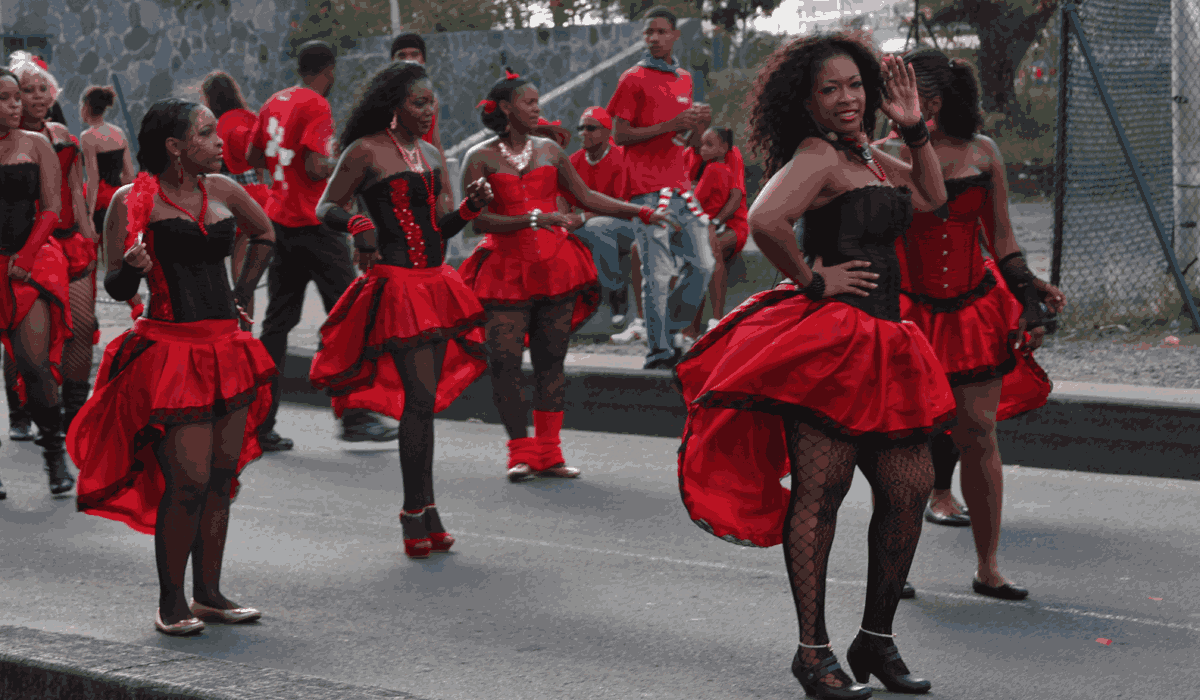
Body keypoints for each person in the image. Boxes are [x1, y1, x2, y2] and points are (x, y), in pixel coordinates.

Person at [675, 35, 954, 698]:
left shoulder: (873, 156)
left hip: (886, 342)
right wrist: (813, 281)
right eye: (830, 89)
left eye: (855, 85)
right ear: (807, 102)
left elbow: (932, 199)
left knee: (908, 489)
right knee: (821, 495)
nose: (846, 98)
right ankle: (813, 655)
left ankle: (875, 640)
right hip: (833, 348)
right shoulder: (818, 155)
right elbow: (766, 219)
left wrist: (914, 129)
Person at [70, 97, 277, 635]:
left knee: (221, 479)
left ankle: (209, 594)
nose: (219, 141)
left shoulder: (223, 190)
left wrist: (243, 291)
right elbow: (117, 284)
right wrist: (132, 269)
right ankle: (171, 602)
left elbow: (265, 234)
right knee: (187, 482)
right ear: (175, 146)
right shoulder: (131, 200)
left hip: (226, 347)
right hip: (170, 351)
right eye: (206, 134)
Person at [877, 48, 1064, 601]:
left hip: (972, 310)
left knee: (980, 434)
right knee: (905, 443)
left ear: (936, 100)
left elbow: (1001, 237)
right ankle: (894, 566)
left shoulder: (984, 151)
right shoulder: (883, 154)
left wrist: (1028, 296)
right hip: (909, 313)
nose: (896, 100)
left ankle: (988, 568)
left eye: (910, 91)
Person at [310, 62, 493, 557]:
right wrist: (357, 225)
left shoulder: (430, 154)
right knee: (419, 400)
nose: (429, 110)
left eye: (432, 102)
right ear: (395, 106)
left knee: (424, 405)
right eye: (418, 102)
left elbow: (440, 227)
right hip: (397, 286)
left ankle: (427, 509)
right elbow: (326, 207)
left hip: (435, 284)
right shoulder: (365, 150)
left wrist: (471, 208)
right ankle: (414, 512)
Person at [458, 68, 674, 482]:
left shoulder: (550, 151)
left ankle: (550, 453)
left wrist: (642, 212)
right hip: (504, 269)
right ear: (505, 108)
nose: (537, 108)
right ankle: (519, 453)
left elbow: (586, 197)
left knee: (550, 362)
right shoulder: (479, 157)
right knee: (504, 363)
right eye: (529, 102)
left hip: (555, 268)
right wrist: (534, 218)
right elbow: (477, 222)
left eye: (537, 101)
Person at [246, 41, 398, 450]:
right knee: (348, 318)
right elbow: (316, 166)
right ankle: (355, 416)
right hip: (316, 226)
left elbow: (253, 155)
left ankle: (260, 423)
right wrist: (351, 165)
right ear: (329, 70)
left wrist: (284, 170)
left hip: (281, 222)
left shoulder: (274, 101)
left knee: (276, 326)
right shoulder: (316, 105)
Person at [607, 6, 714, 369]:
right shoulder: (632, 78)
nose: (653, 38)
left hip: (680, 187)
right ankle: (659, 351)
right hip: (646, 189)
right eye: (648, 32)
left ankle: (667, 332)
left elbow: (691, 143)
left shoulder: (684, 78)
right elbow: (620, 135)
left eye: (661, 31)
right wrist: (672, 125)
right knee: (658, 273)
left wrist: (699, 125)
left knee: (703, 264)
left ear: (674, 35)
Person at [11, 51, 97, 467]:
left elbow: (76, 190)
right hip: (25, 246)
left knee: (83, 325)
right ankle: (21, 410)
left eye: (43, 88)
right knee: (26, 339)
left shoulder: (63, 135)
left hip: (68, 240)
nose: (37, 96)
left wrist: (90, 233)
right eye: (27, 90)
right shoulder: (11, 142)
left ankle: (73, 414)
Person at [0, 66, 70, 497]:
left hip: (30, 263)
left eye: (16, 97)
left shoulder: (37, 143)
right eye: (5, 98)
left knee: (34, 364)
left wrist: (25, 257)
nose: (15, 105)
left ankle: (54, 454)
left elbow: (51, 207)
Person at [203, 71, 270, 322]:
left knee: (237, 270)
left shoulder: (216, 126)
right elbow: (259, 162)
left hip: (230, 198)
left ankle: (243, 327)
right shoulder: (249, 118)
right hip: (258, 194)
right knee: (250, 271)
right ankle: (246, 327)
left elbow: (214, 166)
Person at [676, 126, 749, 349]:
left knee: (705, 253)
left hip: (719, 225)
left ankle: (703, 324)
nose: (704, 149)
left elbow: (695, 201)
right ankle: (700, 325)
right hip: (711, 225)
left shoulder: (714, 169)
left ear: (724, 147)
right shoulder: (718, 167)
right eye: (703, 144)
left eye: (710, 145)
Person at [564, 106, 635, 326]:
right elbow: (562, 198)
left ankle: (616, 294)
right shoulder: (573, 161)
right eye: (581, 128)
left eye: (591, 128)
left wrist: (583, 218)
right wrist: (564, 219)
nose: (584, 133)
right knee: (559, 234)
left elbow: (621, 206)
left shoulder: (620, 157)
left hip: (628, 225)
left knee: (598, 227)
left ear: (606, 132)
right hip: (592, 225)